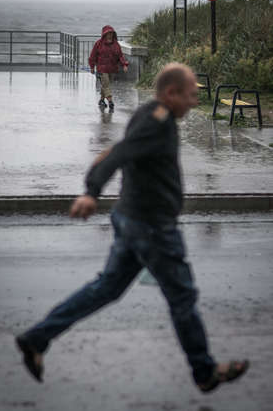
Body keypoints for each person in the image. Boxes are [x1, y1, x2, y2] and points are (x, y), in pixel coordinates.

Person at [16, 63, 249, 393]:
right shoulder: (157, 122)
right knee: (182, 296)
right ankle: (204, 370)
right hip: (151, 227)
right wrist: (91, 192)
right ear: (171, 93)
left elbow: (116, 151)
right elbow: (120, 153)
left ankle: (37, 338)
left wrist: (91, 187)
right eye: (192, 95)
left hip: (131, 220)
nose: (195, 102)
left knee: (106, 288)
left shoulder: (148, 114)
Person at [89, 25, 129, 111]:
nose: (110, 35)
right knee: (106, 85)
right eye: (108, 33)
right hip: (101, 68)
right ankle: (110, 101)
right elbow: (93, 56)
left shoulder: (116, 44)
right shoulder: (98, 43)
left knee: (105, 85)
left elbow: (120, 56)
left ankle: (101, 100)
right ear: (104, 34)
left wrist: (124, 65)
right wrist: (92, 67)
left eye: (111, 33)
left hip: (112, 68)